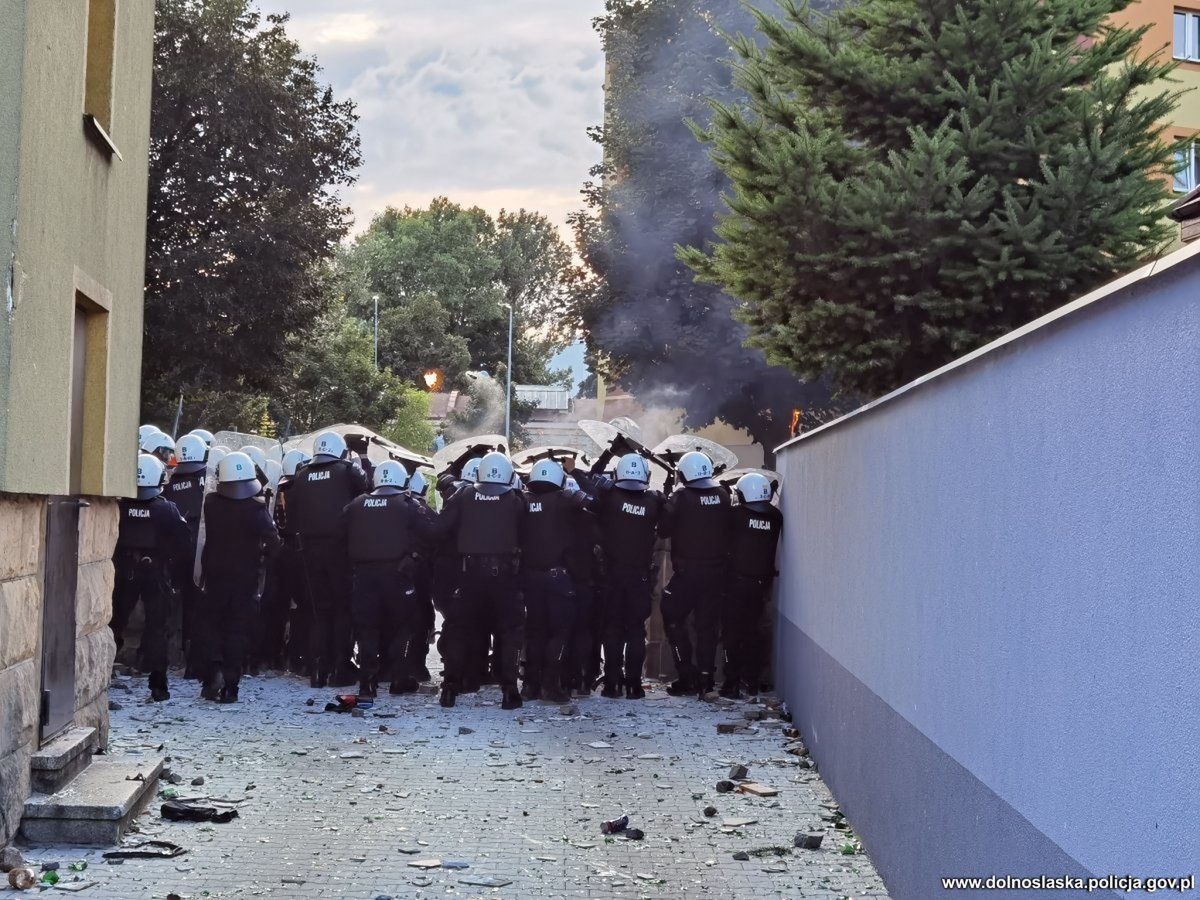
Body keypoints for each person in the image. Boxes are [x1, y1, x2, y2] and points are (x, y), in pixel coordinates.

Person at [435, 451, 527, 710]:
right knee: (510, 632)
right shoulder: (516, 499)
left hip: (469, 574)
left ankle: (450, 690)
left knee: (458, 630)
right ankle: (509, 691)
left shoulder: (463, 496)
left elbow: (440, 529)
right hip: (505, 576)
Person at [577, 452, 667, 700]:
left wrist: (605, 455)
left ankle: (612, 684)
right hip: (639, 577)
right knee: (637, 630)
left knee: (612, 629)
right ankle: (634, 686)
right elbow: (668, 522)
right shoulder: (652, 502)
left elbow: (588, 486)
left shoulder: (610, 499)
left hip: (612, 576)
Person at [284, 431, 369, 687]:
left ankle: (317, 668)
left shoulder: (300, 475)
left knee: (319, 611)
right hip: (340, 549)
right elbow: (368, 491)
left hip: (308, 550)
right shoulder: (347, 470)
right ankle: (339, 668)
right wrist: (362, 457)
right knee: (342, 609)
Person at [341, 461, 433, 698]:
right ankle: (398, 677)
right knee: (404, 626)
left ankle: (367, 682)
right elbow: (431, 534)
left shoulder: (356, 505)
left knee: (367, 628)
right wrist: (414, 555)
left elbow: (341, 535)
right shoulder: (408, 505)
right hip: (397, 576)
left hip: (362, 576)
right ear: (402, 481)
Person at [198, 452, 282, 703]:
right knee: (237, 630)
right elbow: (273, 542)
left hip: (213, 575)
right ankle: (230, 685)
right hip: (244, 578)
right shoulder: (255, 509)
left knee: (212, 626)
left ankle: (211, 674)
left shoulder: (211, 503)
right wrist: (264, 555)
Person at [111, 454, 191, 702]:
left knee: (114, 624)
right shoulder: (166, 509)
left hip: (124, 570)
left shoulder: (119, 505)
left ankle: (100, 677)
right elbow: (184, 541)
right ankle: (159, 686)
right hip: (155, 572)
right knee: (158, 629)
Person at [658, 451, 733, 697]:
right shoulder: (722, 495)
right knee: (707, 627)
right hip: (717, 573)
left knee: (671, 615)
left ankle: (686, 674)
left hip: (688, 573)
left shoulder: (681, 497)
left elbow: (663, 530)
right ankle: (706, 680)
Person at [519, 458, 587, 703]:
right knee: (559, 631)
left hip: (530, 577)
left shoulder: (523, 502)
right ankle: (551, 684)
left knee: (535, 631)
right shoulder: (566, 500)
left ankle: (529, 685)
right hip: (558, 577)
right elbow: (593, 507)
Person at [721, 473, 783, 698]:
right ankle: (752, 681)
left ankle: (731, 682)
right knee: (753, 633)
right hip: (761, 586)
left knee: (732, 633)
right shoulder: (776, 517)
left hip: (735, 584)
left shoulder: (735, 515)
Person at [167, 434, 209, 677]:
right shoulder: (206, 479)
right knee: (198, 605)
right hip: (200, 549)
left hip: (176, 550)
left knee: (178, 606)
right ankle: (194, 661)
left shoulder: (171, 482)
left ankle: (179, 655)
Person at [274, 449, 311, 673]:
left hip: (281, 550)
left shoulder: (279, 488)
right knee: (304, 606)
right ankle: (298, 656)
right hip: (299, 550)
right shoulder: (302, 490)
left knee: (280, 605)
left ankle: (280, 654)